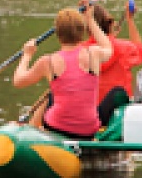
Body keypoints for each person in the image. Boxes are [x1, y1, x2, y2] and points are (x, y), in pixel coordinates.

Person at [13, 7, 114, 140]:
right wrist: (90, 20)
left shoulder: (47, 61)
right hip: (88, 130)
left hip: (57, 127)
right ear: (82, 31)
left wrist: (27, 55)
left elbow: (18, 81)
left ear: (58, 34)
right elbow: (108, 47)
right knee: (52, 95)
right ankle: (32, 129)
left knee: (50, 96)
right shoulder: (93, 53)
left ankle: (32, 129)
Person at [91, 0, 142, 125]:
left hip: (90, 114)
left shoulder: (82, 51)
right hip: (117, 115)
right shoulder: (124, 48)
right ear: (110, 24)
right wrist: (130, 20)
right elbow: (141, 51)